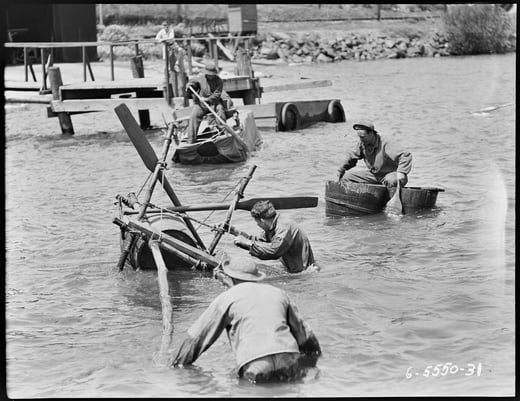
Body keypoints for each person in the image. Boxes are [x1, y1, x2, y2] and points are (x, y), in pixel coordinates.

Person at [172, 256, 321, 383]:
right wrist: (313, 361)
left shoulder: (227, 298)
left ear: (231, 278)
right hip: (288, 357)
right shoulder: (278, 293)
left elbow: (197, 337)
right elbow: (305, 335)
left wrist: (176, 366)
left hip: (254, 362)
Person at [228, 200, 316, 273]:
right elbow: (261, 243)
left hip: (305, 272)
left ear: (262, 220)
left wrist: (248, 243)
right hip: (293, 270)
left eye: (257, 222)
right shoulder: (272, 227)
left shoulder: (283, 227)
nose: (257, 225)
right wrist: (235, 232)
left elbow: (274, 251)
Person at [337, 120, 412, 187]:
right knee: (347, 177)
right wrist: (341, 170)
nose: (360, 139)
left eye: (362, 137)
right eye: (359, 137)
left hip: (392, 174)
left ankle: (388, 200)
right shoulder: (362, 143)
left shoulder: (386, 142)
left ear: (371, 133)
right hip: (374, 175)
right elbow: (351, 157)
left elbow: (405, 155)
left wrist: (401, 172)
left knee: (391, 180)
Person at [184, 60, 229, 143]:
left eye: (212, 75)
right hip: (201, 104)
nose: (210, 76)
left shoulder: (219, 81)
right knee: (194, 116)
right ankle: (191, 140)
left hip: (214, 103)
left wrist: (207, 99)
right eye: (209, 74)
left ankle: (223, 134)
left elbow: (217, 94)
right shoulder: (200, 78)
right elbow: (193, 82)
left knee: (220, 111)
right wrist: (189, 84)